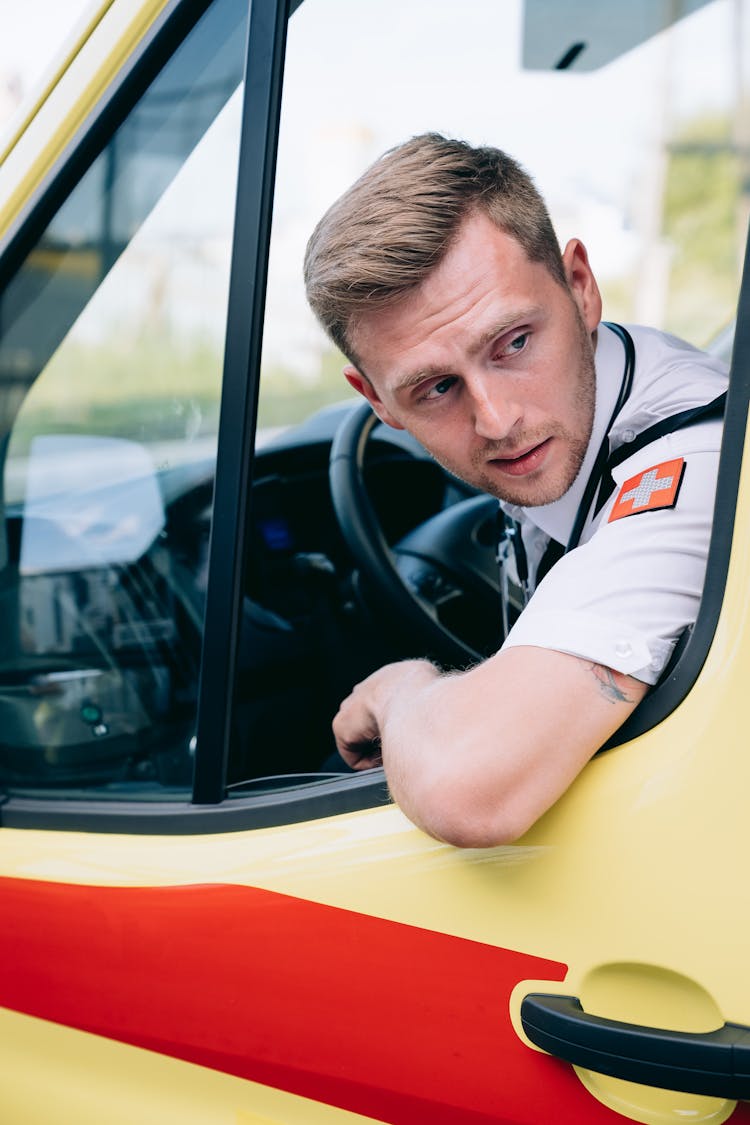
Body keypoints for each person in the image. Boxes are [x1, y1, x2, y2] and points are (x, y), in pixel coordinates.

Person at [303, 133, 728, 848]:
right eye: (436, 388)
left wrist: (397, 687)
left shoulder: (697, 464)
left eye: (515, 343)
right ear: (376, 402)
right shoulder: (585, 420)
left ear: (581, 288)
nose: (498, 422)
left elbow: (467, 786)